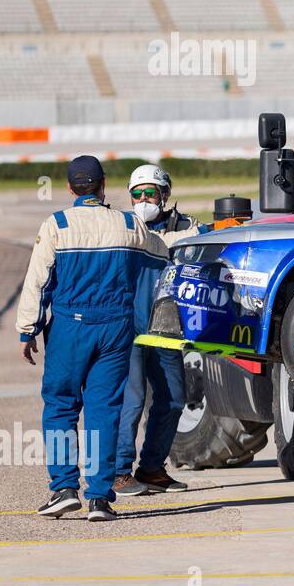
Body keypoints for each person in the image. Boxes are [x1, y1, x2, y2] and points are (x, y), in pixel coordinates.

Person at [17, 156, 169, 521]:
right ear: (103, 186)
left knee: (61, 406)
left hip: (72, 325)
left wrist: (28, 329)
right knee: (104, 409)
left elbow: (37, 281)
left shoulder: (57, 224)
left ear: (70, 189)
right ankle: (100, 497)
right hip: (117, 327)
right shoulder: (129, 223)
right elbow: (161, 255)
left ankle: (64, 488)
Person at [114, 164, 209, 496]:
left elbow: (207, 240)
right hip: (129, 325)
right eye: (136, 194)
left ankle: (153, 468)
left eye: (150, 192)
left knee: (173, 398)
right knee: (132, 398)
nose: (143, 199)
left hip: (166, 325)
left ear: (165, 195)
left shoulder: (189, 227)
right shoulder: (123, 227)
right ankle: (118, 471)